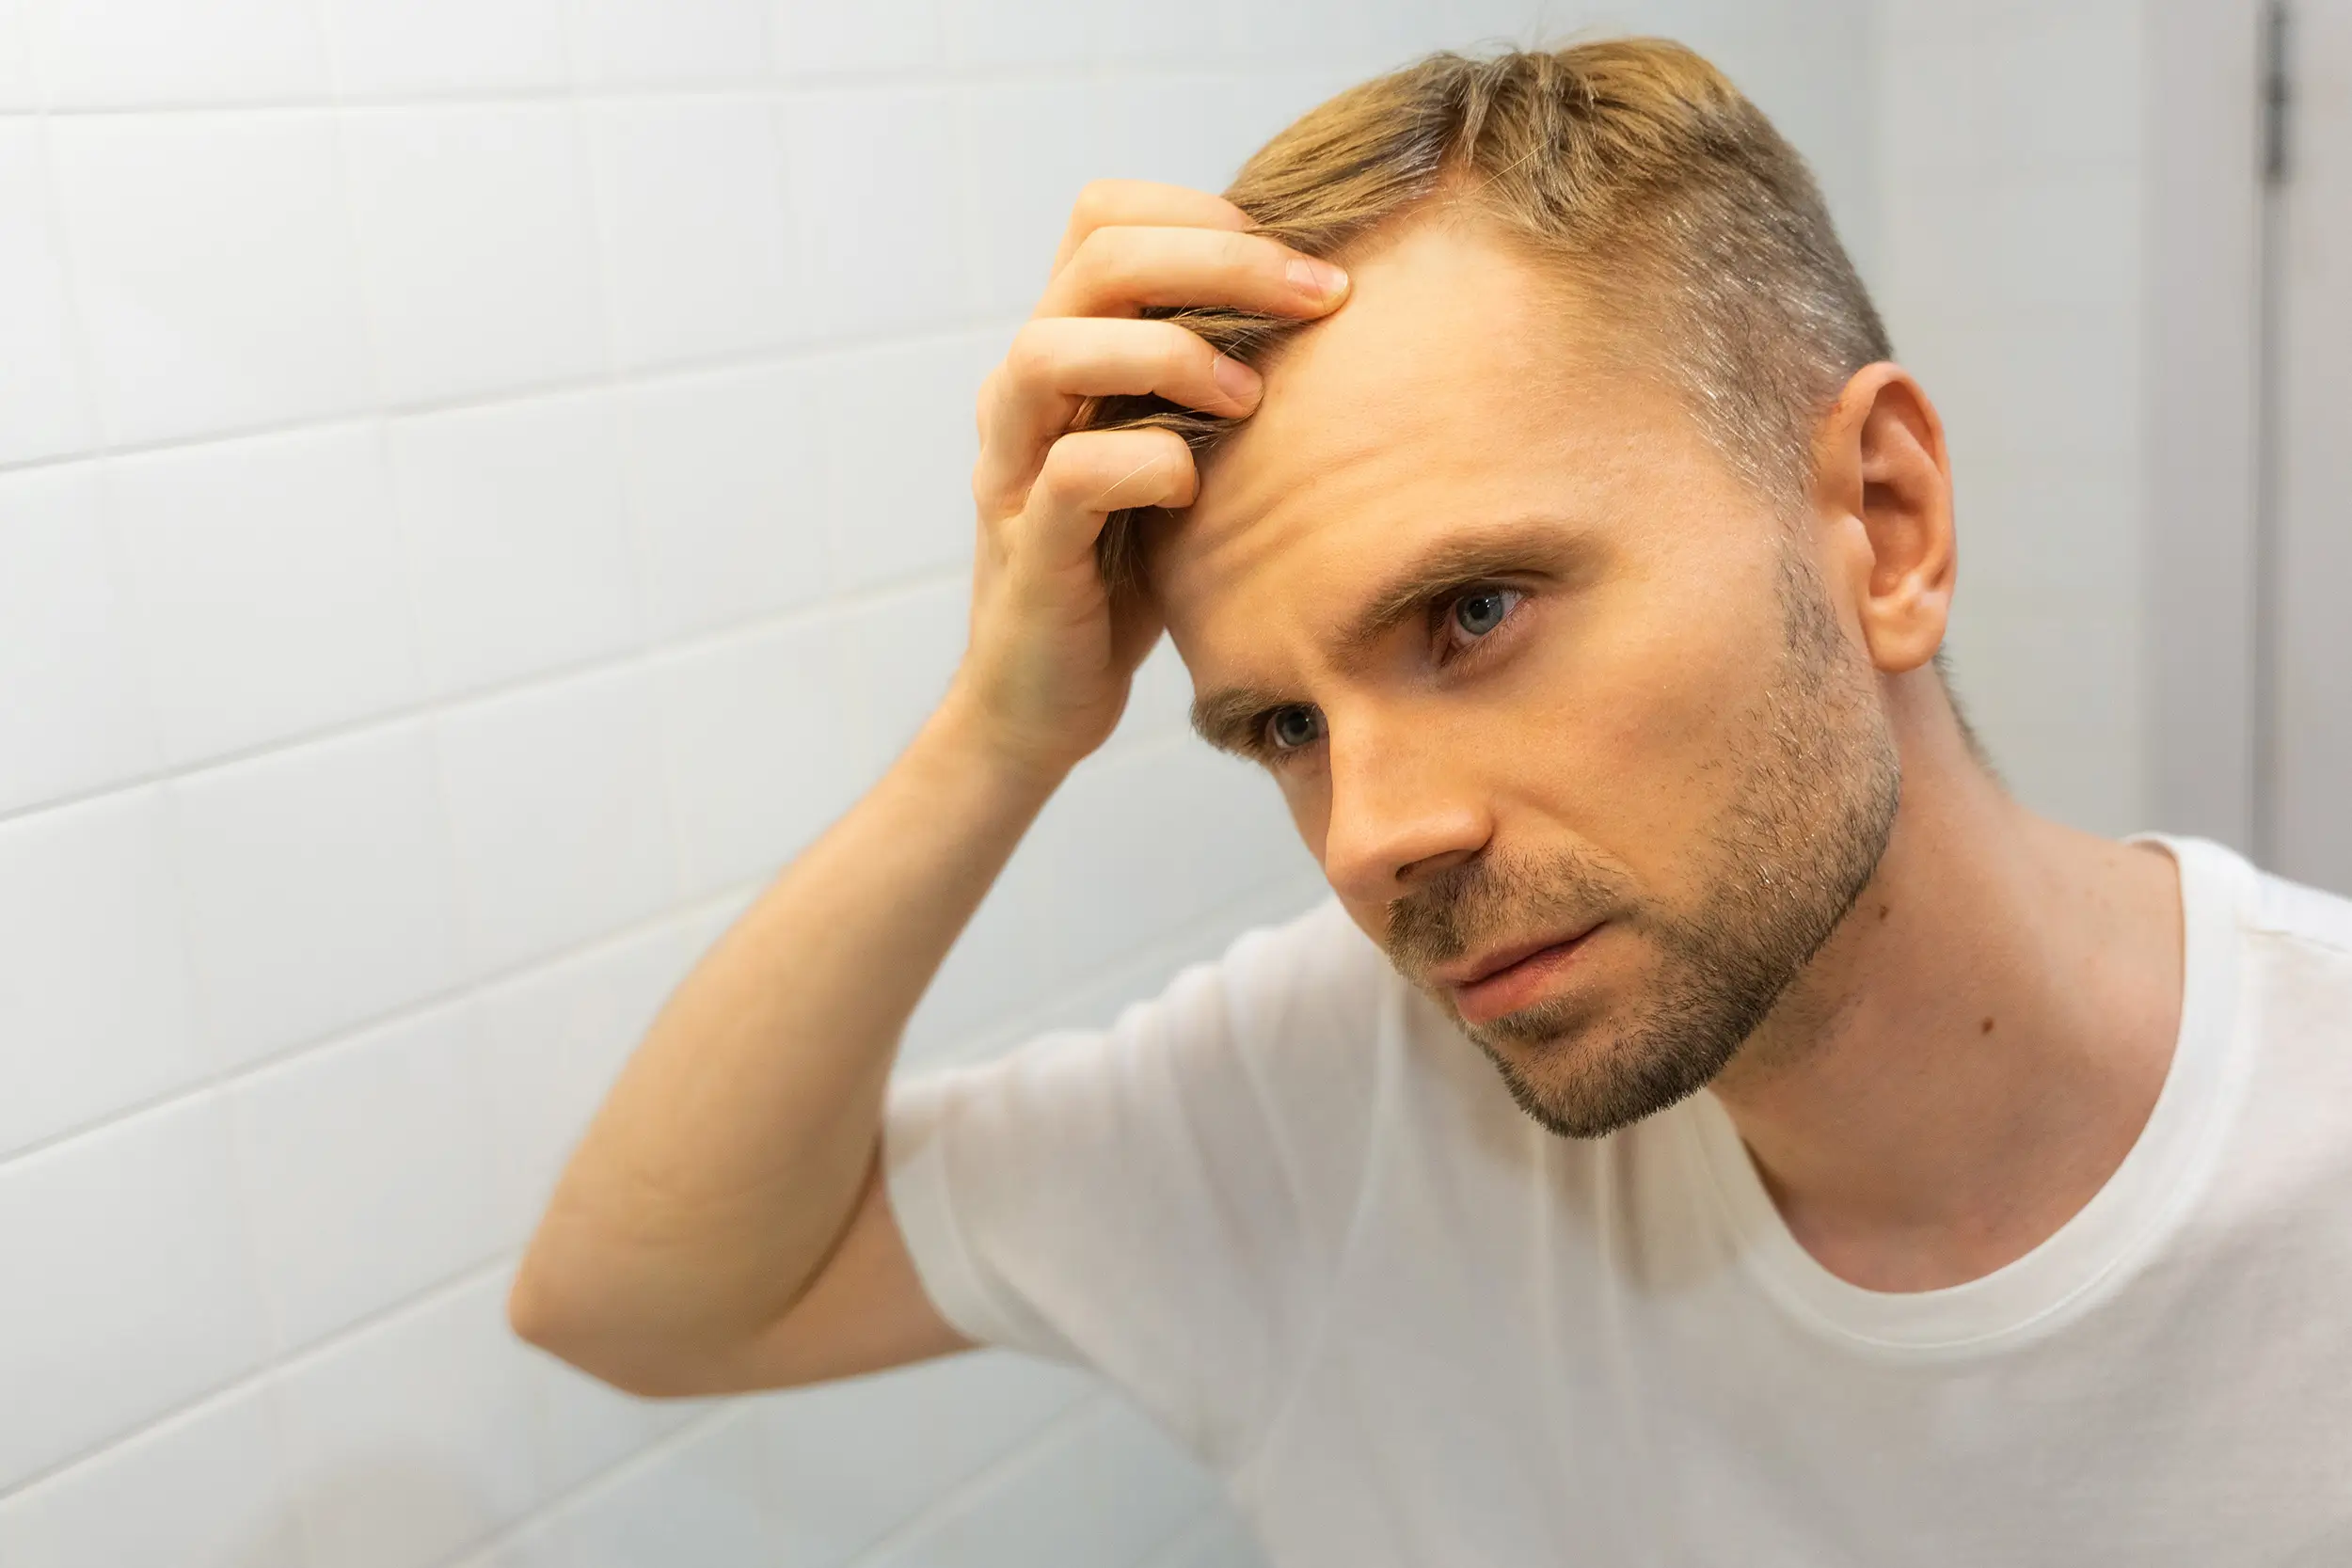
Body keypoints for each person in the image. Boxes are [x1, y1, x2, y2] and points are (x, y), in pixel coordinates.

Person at [510, 39, 2352, 1564]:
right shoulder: (1348, 1106)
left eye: (1470, 613)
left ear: (1879, 520)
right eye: (1281, 729)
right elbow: (638, 1294)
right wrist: (996, 734)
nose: (1374, 837)